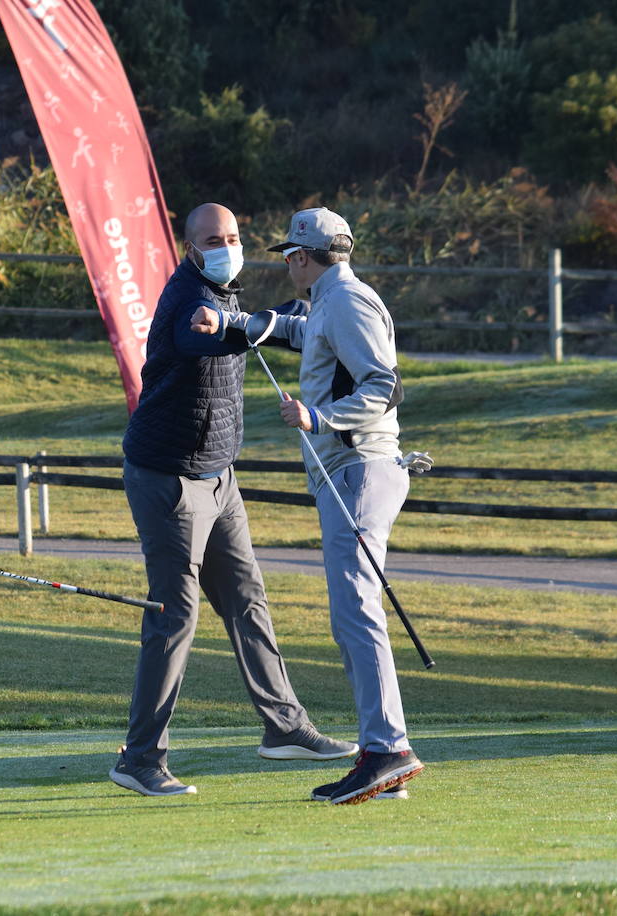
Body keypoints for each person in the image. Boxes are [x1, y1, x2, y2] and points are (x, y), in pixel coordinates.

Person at [111, 202, 358, 797]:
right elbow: (203, 341)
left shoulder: (224, 293)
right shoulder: (188, 300)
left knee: (248, 599)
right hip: (168, 478)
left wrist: (279, 320)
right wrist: (251, 323)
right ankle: (140, 758)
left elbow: (240, 329)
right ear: (189, 247)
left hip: (219, 477)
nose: (226, 245)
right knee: (176, 615)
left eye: (233, 236)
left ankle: (284, 727)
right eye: (212, 238)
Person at [192, 207, 429, 804]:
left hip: (360, 468)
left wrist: (319, 416)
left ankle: (388, 750)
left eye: (288, 256)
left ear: (300, 257)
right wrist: (228, 320)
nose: (287, 265)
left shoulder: (347, 301)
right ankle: (387, 756)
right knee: (352, 615)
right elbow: (297, 332)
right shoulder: (328, 300)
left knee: (355, 613)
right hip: (350, 473)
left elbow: (385, 386)